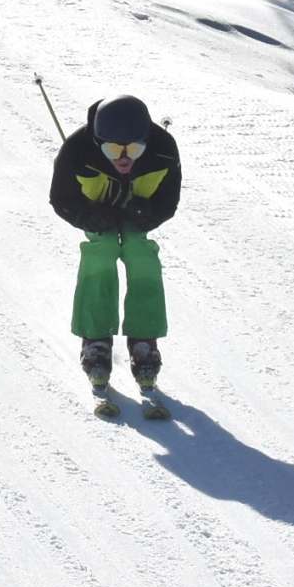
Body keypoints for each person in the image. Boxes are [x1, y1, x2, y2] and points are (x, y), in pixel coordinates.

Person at [48, 95, 182, 392]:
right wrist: (88, 217)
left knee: (140, 252)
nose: (124, 158)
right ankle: (95, 337)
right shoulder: (76, 151)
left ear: (146, 141)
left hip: (137, 214)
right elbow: (61, 199)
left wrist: (148, 214)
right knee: (102, 250)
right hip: (98, 214)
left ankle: (144, 338)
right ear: (98, 142)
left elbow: (168, 201)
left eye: (134, 149)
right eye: (112, 149)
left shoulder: (163, 150)